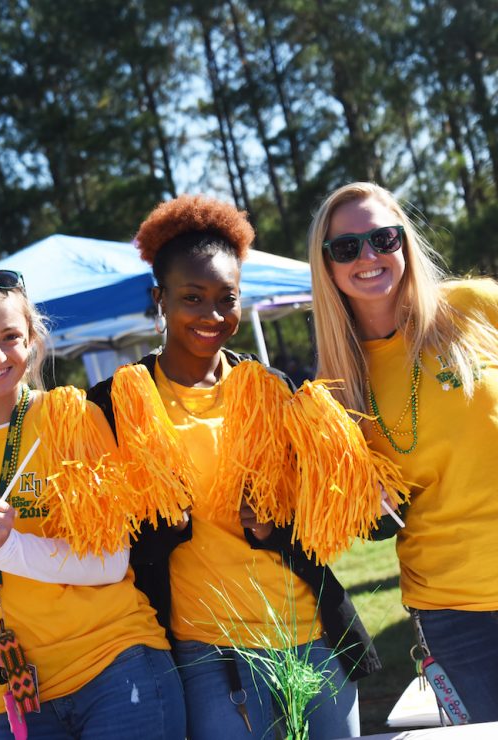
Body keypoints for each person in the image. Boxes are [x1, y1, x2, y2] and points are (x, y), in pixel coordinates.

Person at [88, 195, 379, 740]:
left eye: (227, 299)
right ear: (160, 299)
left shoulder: (274, 392)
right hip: (207, 650)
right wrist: (156, 530)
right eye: (192, 298)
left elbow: (326, 517)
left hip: (308, 633)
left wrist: (276, 526)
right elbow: (101, 526)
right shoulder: (116, 403)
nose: (213, 316)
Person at [308, 181, 498, 723]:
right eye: (347, 247)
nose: (369, 256)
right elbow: (370, 522)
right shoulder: (334, 384)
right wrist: (365, 506)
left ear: (405, 241)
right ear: (327, 265)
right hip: (452, 613)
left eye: (383, 237)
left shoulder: (478, 306)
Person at [0, 269, 185, 738]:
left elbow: (111, 562)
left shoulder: (72, 418)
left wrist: (11, 548)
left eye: (10, 337)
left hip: (115, 667)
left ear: (33, 340)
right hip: (13, 695)